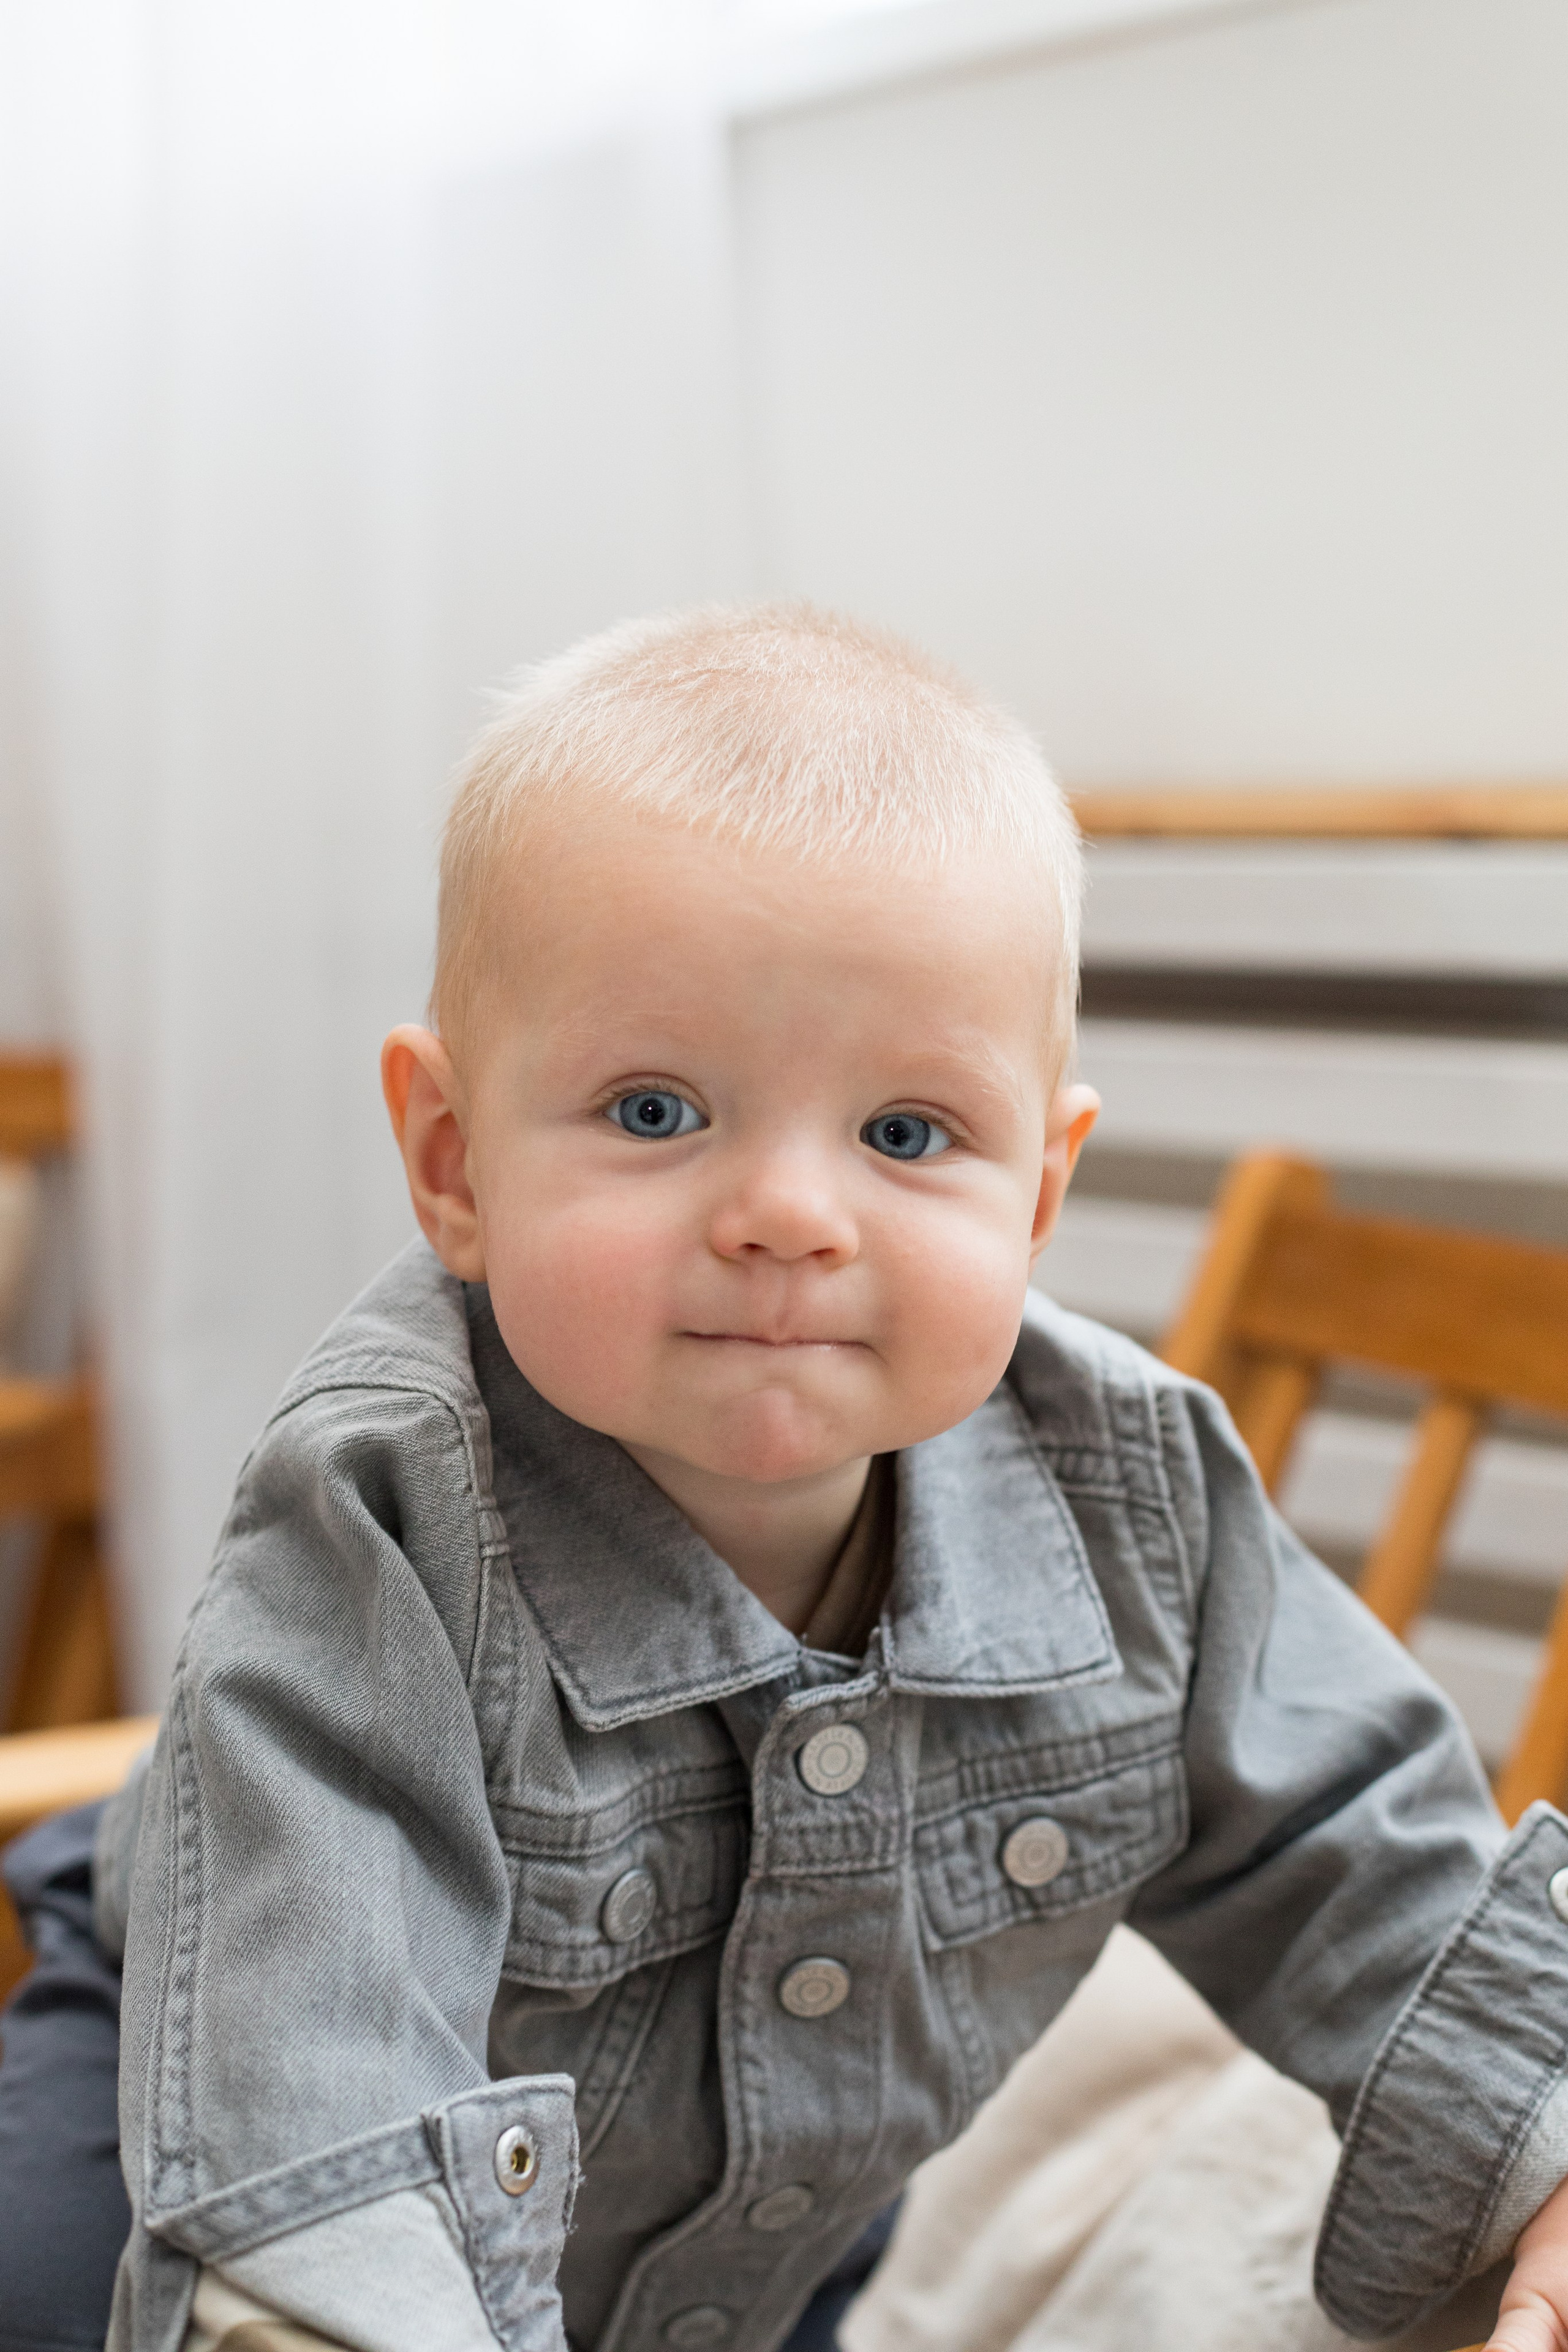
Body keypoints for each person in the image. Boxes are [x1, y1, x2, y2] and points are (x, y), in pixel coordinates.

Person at [8, 605, 1568, 2352]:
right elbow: (320, 2081)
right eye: (660, 1111)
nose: (791, 1217)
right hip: (222, 2073)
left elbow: (1368, 1850)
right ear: (455, 1164)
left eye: (907, 1135)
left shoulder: (1134, 1499)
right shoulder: (381, 1510)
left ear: (1039, 1196)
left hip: (761, 2200)